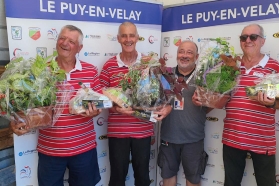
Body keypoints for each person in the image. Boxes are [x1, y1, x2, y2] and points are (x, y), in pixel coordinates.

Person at [11, 25, 102, 186]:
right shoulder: (40, 71)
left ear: (79, 47)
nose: (64, 43)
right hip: (50, 151)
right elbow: (24, 105)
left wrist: (95, 112)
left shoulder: (90, 71)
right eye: (62, 38)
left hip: (84, 149)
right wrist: (18, 121)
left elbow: (100, 102)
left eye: (71, 41)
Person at [99, 21, 170, 186]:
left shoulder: (148, 63)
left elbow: (163, 93)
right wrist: (116, 108)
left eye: (131, 35)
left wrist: (163, 106)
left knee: (143, 177)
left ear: (137, 37)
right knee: (117, 178)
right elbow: (101, 97)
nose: (128, 39)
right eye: (124, 35)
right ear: (118, 38)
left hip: (142, 131)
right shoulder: (109, 65)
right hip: (118, 132)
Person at [222, 24, 279, 186]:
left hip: (262, 140)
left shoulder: (274, 67)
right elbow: (220, 96)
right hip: (232, 138)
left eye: (253, 37)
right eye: (244, 37)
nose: (248, 41)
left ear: (262, 41)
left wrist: (272, 102)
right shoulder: (232, 66)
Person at [156, 40, 208, 186]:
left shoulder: (204, 77)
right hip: (169, 137)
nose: (184, 55)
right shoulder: (166, 75)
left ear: (196, 57)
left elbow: (212, 104)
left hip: (193, 139)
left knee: (193, 179)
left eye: (189, 52)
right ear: (177, 54)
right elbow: (157, 101)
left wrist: (204, 102)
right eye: (181, 51)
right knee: (168, 176)